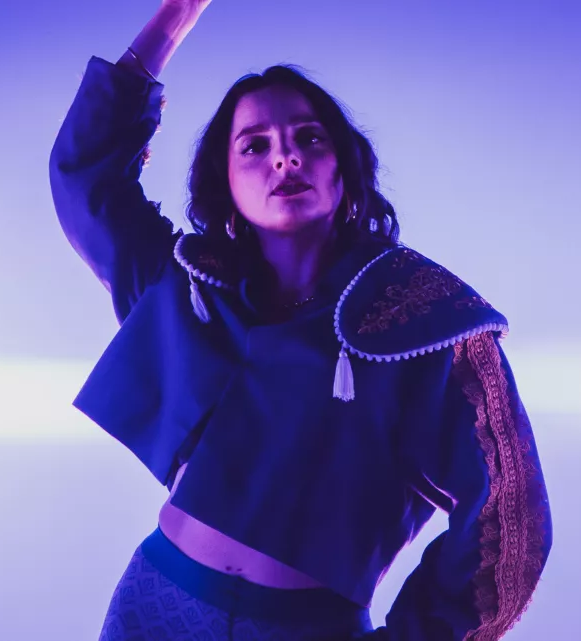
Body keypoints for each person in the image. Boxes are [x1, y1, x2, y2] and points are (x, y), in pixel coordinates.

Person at [48, 1, 552, 638]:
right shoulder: (185, 286)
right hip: (153, 610)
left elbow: (511, 520)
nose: (285, 157)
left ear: (344, 165)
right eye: (254, 146)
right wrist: (175, 16)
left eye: (309, 139)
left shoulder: (429, 319)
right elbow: (85, 178)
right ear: (226, 182)